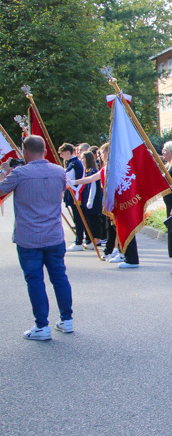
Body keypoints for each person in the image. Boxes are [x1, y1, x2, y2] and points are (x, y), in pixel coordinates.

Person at [0, 136, 74, 340]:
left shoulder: (19, 174)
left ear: (25, 152)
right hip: (54, 234)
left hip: (29, 237)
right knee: (59, 276)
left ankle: (42, 326)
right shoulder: (59, 171)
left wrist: (5, 171)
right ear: (44, 150)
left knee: (35, 281)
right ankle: (67, 319)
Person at [74, 143, 116, 261]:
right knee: (110, 228)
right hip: (107, 201)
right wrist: (73, 182)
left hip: (114, 201)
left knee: (114, 227)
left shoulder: (113, 166)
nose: (100, 156)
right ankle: (110, 250)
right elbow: (91, 179)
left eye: (102, 153)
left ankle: (118, 250)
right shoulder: (105, 167)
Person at [58, 143, 85, 251]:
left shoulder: (74, 164)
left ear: (68, 152)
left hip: (76, 194)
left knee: (78, 219)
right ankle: (80, 239)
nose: (61, 156)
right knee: (77, 218)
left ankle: (79, 242)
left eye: (62, 154)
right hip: (73, 193)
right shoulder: (72, 163)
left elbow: (66, 178)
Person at [79, 151, 102, 248]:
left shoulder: (93, 171)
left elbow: (93, 188)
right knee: (89, 219)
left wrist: (90, 201)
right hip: (88, 199)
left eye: (83, 158)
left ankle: (96, 240)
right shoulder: (87, 171)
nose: (81, 160)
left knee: (94, 220)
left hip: (93, 200)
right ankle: (91, 239)